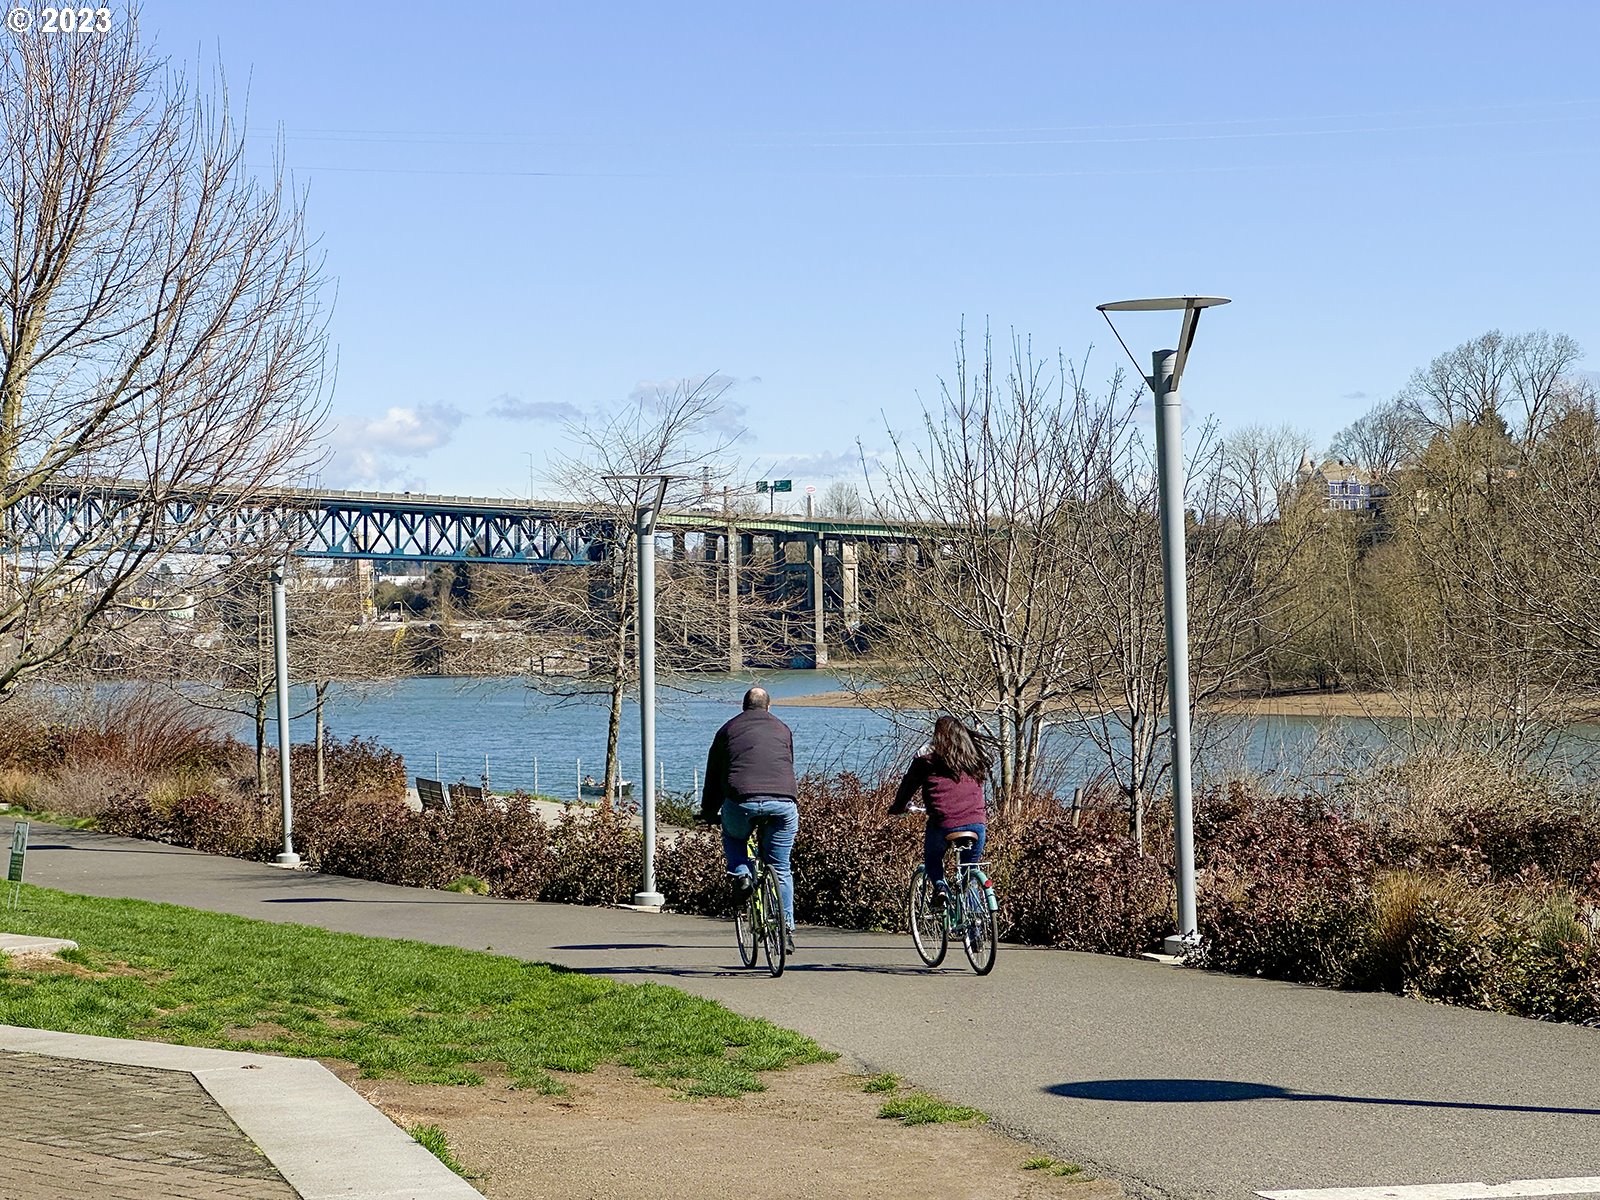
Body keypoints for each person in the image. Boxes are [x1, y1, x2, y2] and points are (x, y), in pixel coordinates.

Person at [700, 686, 799, 949]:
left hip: (741, 800)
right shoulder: (783, 728)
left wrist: (709, 811)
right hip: (783, 802)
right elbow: (787, 763)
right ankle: (786, 929)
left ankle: (742, 873)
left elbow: (714, 775)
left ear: (743, 706)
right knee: (781, 866)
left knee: (734, 837)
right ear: (769, 706)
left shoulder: (728, 730)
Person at [888, 715, 990, 909]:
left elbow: (908, 786)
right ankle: (976, 934)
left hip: (944, 823)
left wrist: (898, 807)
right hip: (977, 824)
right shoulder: (973, 755)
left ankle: (940, 888)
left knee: (932, 859)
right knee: (969, 874)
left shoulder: (926, 757)